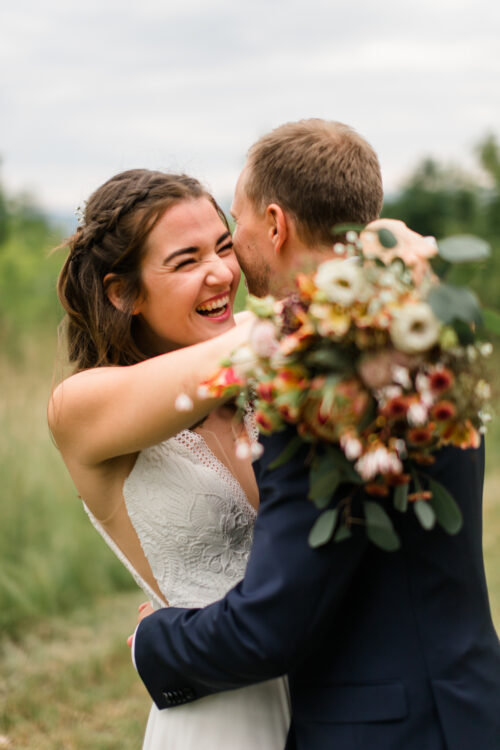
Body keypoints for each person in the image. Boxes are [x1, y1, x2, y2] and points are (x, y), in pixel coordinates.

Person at [132, 120, 500, 750]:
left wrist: (155, 641)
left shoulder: (314, 375)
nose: (231, 253)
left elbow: (270, 626)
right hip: (469, 702)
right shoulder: (425, 329)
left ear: (274, 224)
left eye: (237, 225)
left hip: (381, 729)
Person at [48, 168, 291, 749]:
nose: (222, 273)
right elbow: (254, 340)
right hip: (218, 717)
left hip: (329, 698)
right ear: (122, 292)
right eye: (186, 261)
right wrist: (348, 288)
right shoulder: (81, 405)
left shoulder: (267, 384)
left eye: (225, 245)